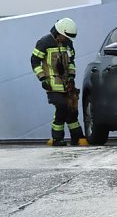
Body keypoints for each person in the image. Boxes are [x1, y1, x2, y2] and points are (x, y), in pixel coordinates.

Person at [31, 17, 88, 147]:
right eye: (65, 37)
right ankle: (57, 138)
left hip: (68, 85)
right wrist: (42, 78)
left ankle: (77, 137)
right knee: (62, 107)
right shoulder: (44, 42)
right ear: (59, 32)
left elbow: (71, 62)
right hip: (52, 85)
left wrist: (72, 76)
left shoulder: (68, 44)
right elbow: (34, 61)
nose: (67, 40)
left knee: (72, 110)